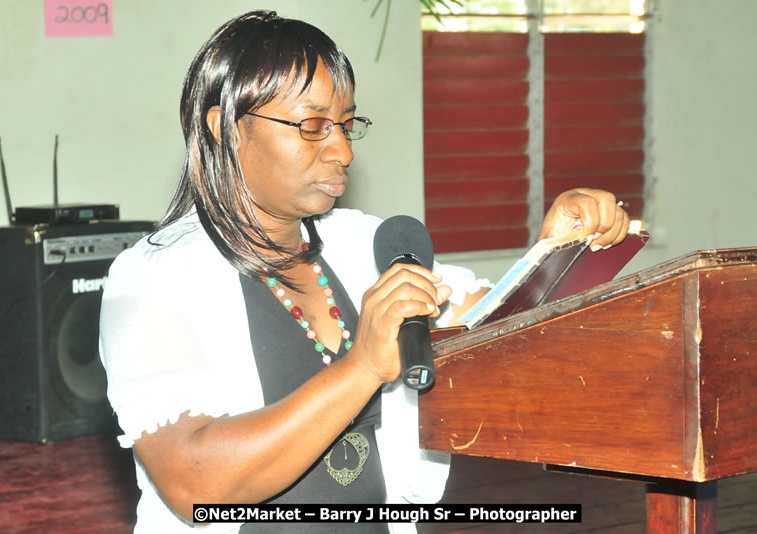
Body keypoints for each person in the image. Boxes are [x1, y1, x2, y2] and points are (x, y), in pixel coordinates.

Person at [98, 10, 631, 534]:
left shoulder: (365, 243)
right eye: (312, 126)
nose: (343, 150)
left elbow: (497, 335)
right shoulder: (152, 278)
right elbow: (196, 486)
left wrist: (556, 253)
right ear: (226, 129)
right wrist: (362, 367)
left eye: (347, 124)